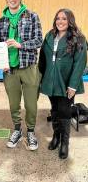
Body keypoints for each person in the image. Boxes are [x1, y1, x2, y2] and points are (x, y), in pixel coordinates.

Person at [0, 0, 43, 150]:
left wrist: (20, 44)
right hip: (10, 70)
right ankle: (17, 129)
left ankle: (30, 131)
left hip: (29, 68)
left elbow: (39, 41)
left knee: (31, 103)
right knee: (13, 103)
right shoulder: (2, 20)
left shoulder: (32, 16)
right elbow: (0, 45)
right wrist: (1, 63)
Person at [39, 8, 87, 159]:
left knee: (65, 111)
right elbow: (43, 58)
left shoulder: (78, 38)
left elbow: (80, 63)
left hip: (66, 83)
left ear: (70, 21)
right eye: (58, 18)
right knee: (54, 109)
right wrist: (41, 78)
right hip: (51, 81)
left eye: (64, 19)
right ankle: (56, 137)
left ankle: (65, 143)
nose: (60, 21)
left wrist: (72, 85)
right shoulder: (49, 35)